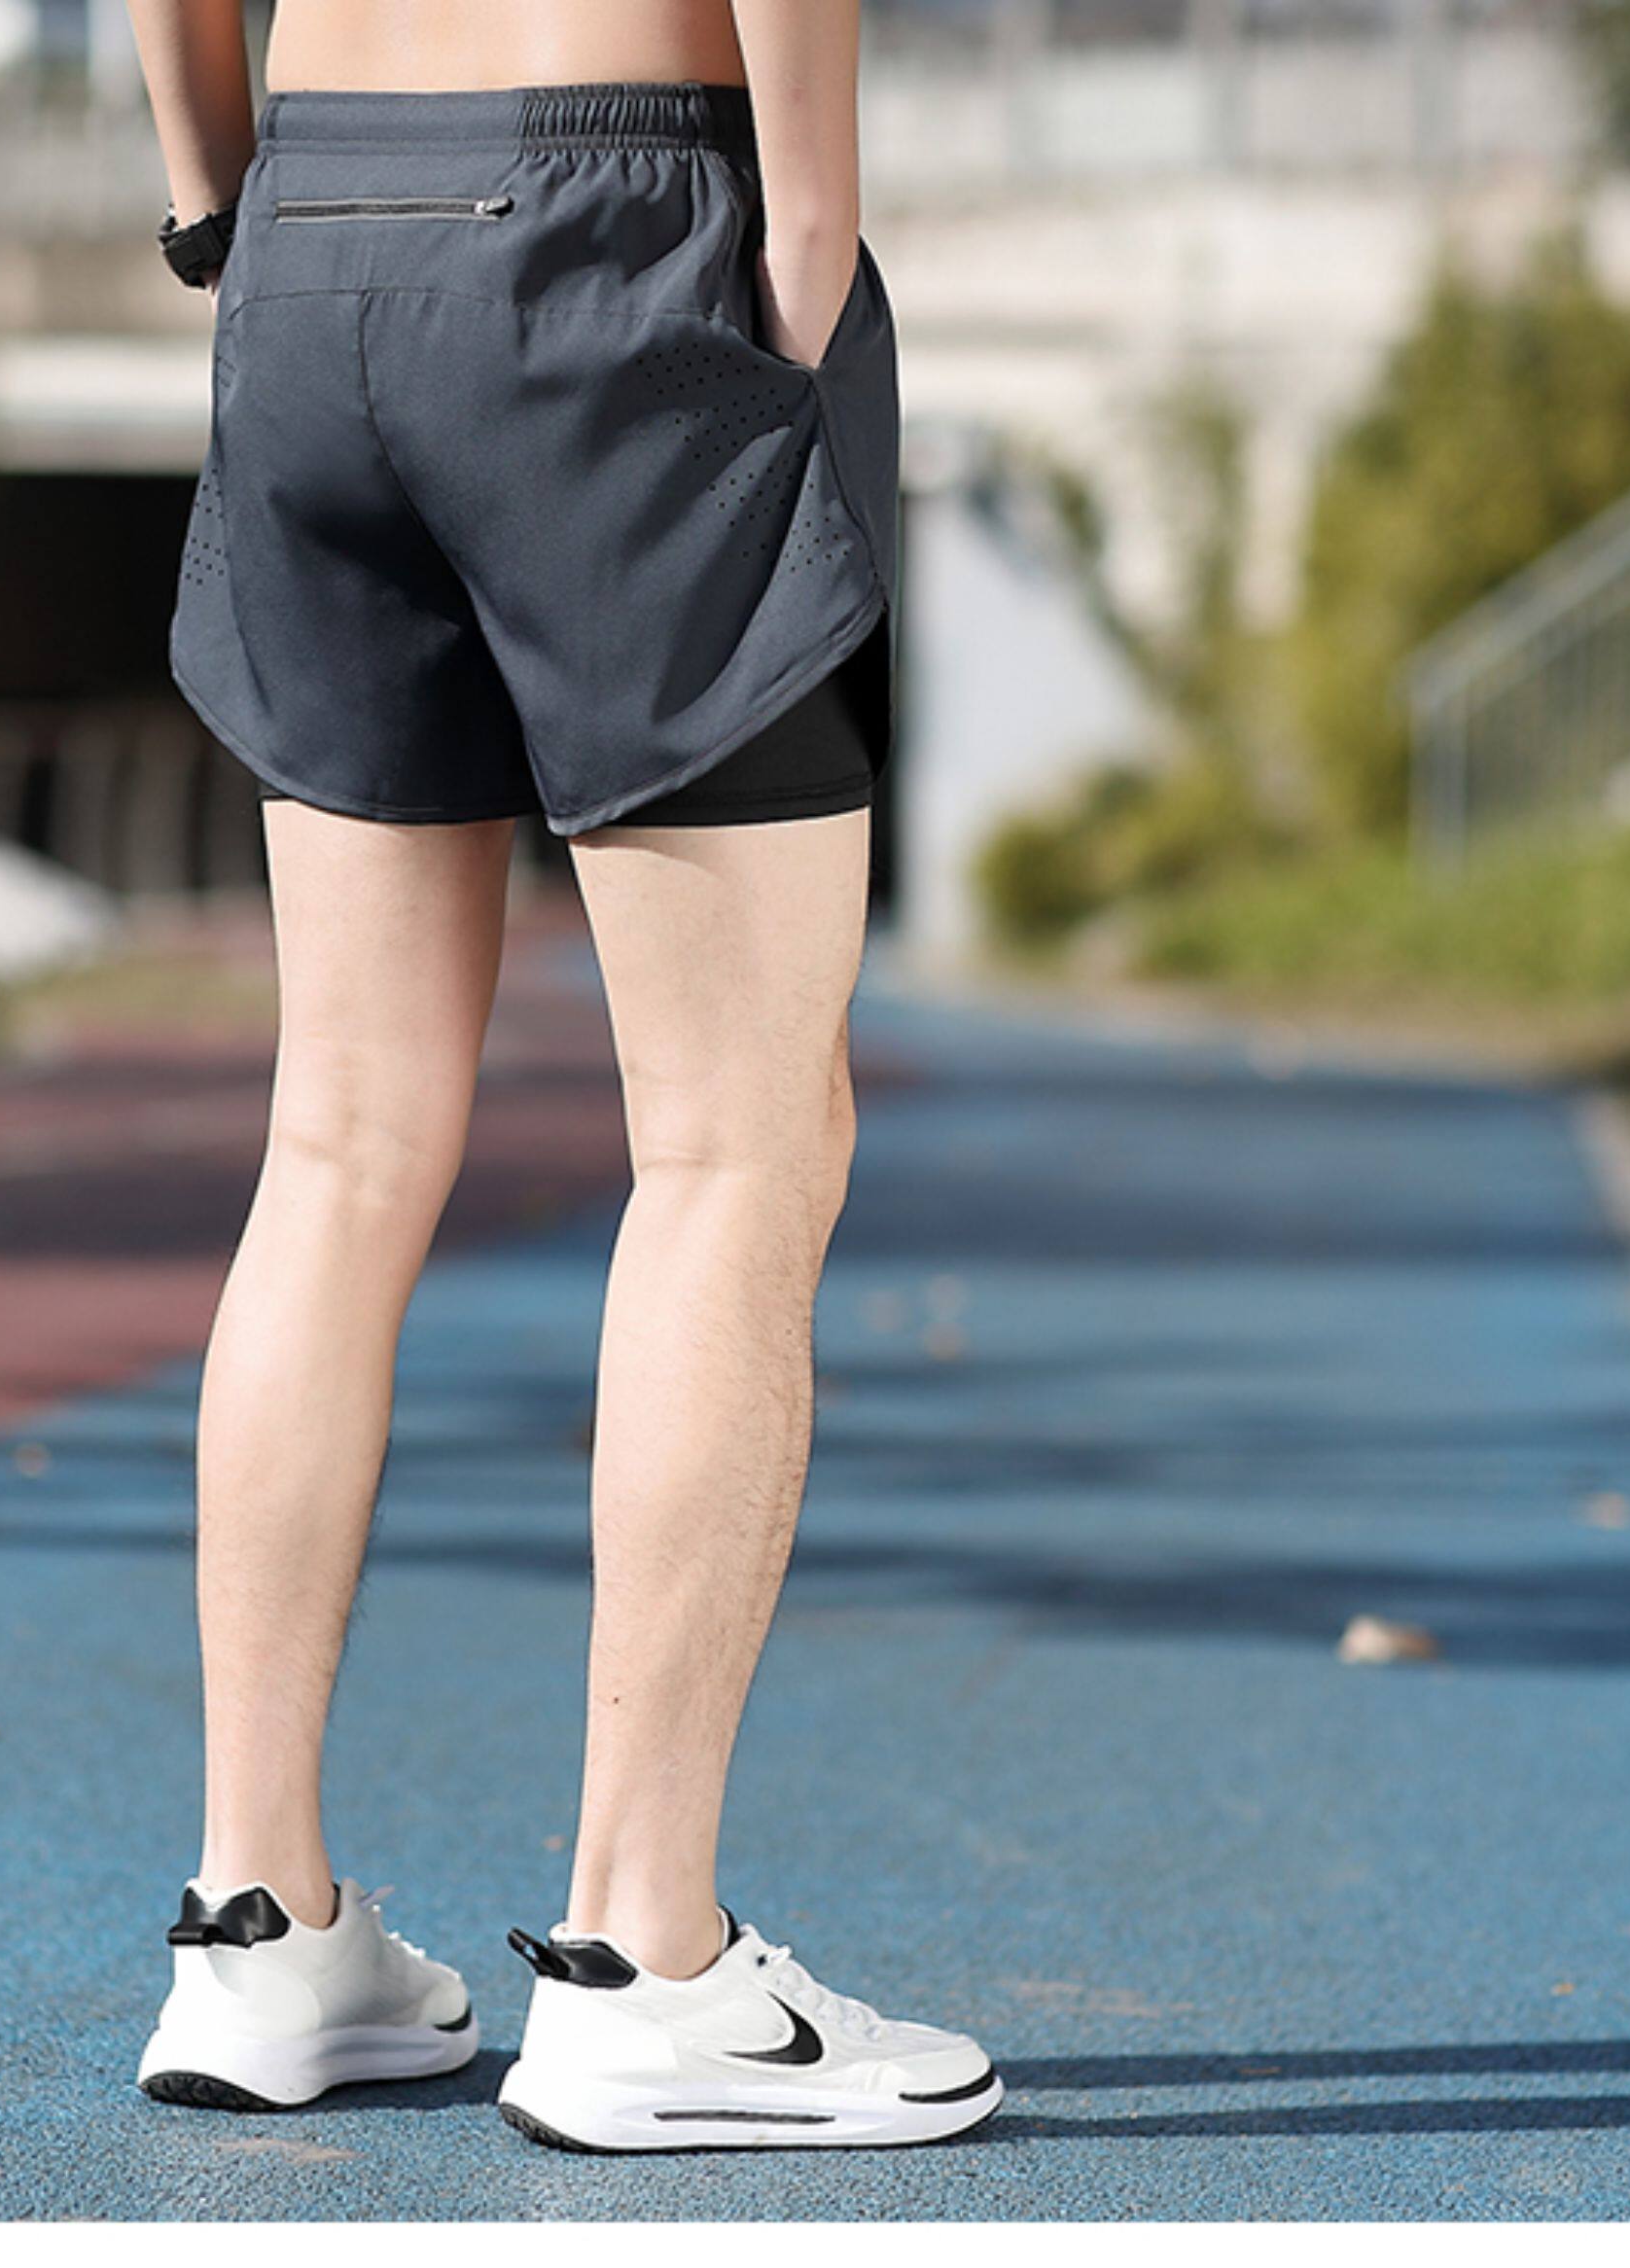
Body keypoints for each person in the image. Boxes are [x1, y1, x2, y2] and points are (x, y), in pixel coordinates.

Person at [124, 0, 1001, 2153]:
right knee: (735, 1140)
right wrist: (804, 232)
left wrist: (216, 194)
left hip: (315, 227)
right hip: (626, 217)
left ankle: (256, 1929)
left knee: (339, 1137)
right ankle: (643, 1965)